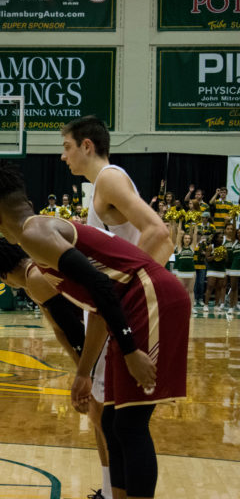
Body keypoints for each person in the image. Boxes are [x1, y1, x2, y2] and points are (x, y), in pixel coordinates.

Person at [0, 164, 189, 499]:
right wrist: (83, 372)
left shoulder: (34, 235)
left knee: (131, 426)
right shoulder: (40, 235)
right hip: (130, 301)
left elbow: (102, 285)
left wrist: (131, 349)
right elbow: (99, 306)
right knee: (112, 423)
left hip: (151, 296)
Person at [59, 114, 172, 499]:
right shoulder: (99, 191)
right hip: (122, 309)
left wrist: (119, 290)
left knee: (128, 425)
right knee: (111, 421)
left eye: (67, 147)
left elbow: (160, 232)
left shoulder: (109, 178)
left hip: (139, 309)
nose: (63, 156)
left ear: (87, 146)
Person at [174, 224, 198, 315]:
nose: (187, 240)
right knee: (181, 291)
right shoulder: (179, 248)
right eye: (185, 238)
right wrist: (180, 222)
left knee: (191, 291)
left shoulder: (192, 248)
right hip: (181, 273)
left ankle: (191, 307)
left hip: (191, 272)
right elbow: (178, 236)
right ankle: (181, 307)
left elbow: (195, 235)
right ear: (182, 240)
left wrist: (194, 224)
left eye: (188, 238)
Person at [203, 231, 229, 312]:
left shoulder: (224, 247)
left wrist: (224, 256)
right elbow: (207, 259)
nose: (222, 239)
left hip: (221, 269)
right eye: (220, 237)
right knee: (210, 287)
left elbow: (226, 260)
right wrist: (215, 255)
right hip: (212, 269)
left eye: (222, 238)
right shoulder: (211, 246)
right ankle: (206, 305)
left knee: (219, 288)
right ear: (216, 238)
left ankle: (216, 305)